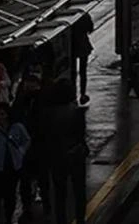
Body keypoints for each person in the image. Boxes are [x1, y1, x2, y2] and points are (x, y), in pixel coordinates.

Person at [38, 79, 87, 224]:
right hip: (75, 154)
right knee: (79, 191)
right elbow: (81, 133)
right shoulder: (77, 112)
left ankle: (61, 219)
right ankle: (80, 219)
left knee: (59, 193)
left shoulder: (48, 113)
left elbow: (44, 134)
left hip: (56, 156)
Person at [0, 102, 31, 224]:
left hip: (11, 169)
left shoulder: (17, 127)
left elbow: (27, 140)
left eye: (2, 114)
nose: (0, 117)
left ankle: (8, 219)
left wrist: (21, 152)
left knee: (10, 198)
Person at [11, 73, 47, 222]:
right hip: (29, 147)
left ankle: (31, 207)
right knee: (31, 179)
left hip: (32, 146)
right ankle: (31, 207)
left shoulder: (26, 102)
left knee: (32, 178)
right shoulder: (27, 102)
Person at [71, 14, 94, 107]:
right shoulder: (85, 16)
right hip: (84, 45)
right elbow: (90, 29)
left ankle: (73, 94)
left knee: (72, 71)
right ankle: (83, 94)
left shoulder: (71, 16)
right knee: (83, 71)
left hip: (72, 45)